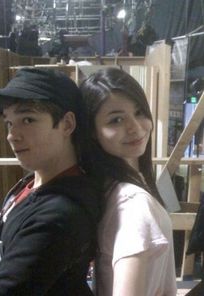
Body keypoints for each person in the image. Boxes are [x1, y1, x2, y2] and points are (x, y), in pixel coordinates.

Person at [0, 67, 100, 295]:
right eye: (9, 122)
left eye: (28, 119)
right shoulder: (33, 182)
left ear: (67, 124)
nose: (12, 135)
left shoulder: (59, 215)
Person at [80, 67, 177, 296]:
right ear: (92, 131)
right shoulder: (133, 203)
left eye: (140, 112)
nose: (135, 127)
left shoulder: (110, 187)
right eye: (116, 120)